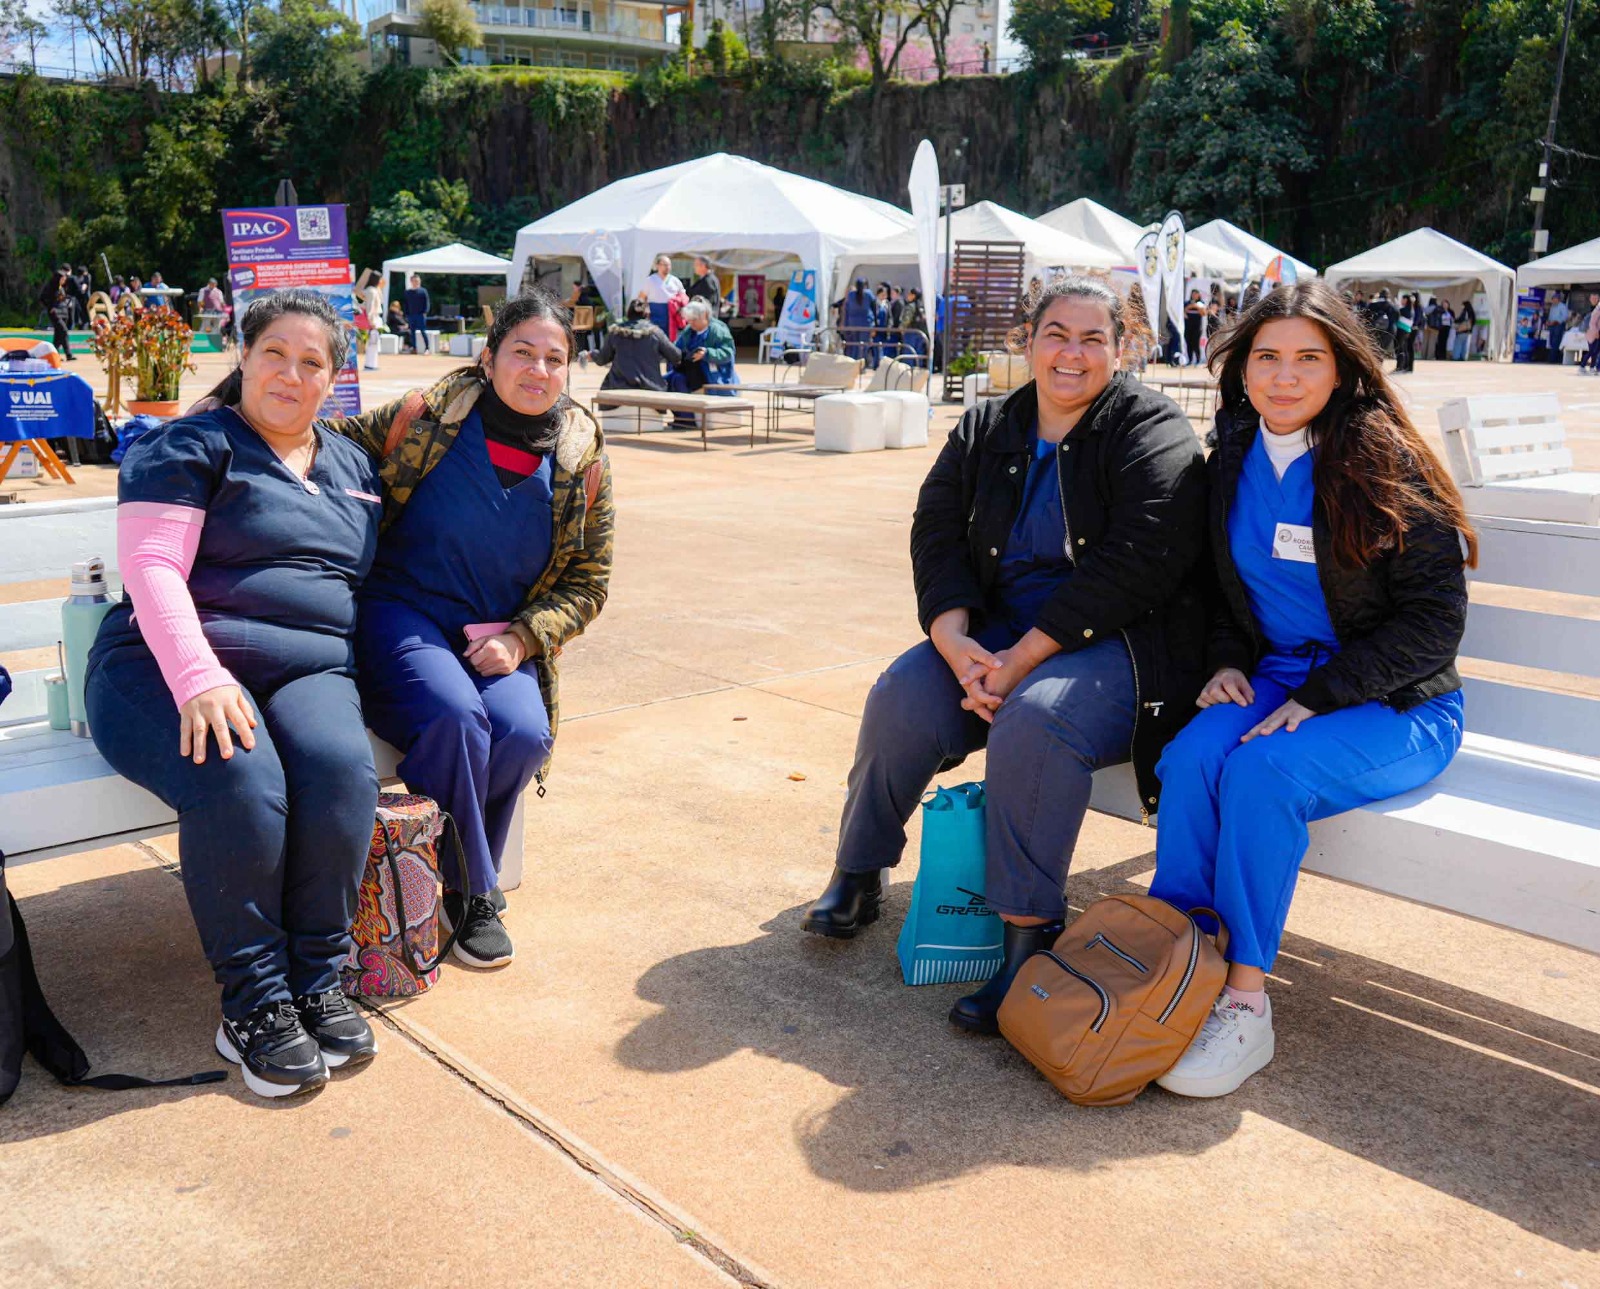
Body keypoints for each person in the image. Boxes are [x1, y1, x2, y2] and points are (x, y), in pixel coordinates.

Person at [800, 277, 1209, 1035]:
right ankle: (857, 870)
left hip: (1114, 646)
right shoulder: (988, 424)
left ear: (1121, 351)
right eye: (1057, 334)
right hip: (990, 639)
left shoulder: (1151, 427)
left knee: (1036, 720)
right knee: (901, 693)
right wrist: (952, 640)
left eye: (1094, 339)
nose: (1072, 353)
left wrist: (1021, 659)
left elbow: (1138, 561)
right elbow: (937, 528)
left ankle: (1028, 938)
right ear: (1027, 341)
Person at [1148, 281, 1472, 1098]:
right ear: (1240, 368)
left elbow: (1434, 622)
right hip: (1274, 681)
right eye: (1267, 357)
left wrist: (1323, 693)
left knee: (1261, 774)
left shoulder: (1380, 460)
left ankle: (1245, 1003)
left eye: (1307, 358)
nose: (1284, 377)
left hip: (1401, 701)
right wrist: (1226, 659)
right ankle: (1180, 963)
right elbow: (1222, 591)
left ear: (1341, 370)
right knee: (1189, 760)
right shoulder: (1229, 455)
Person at [84, 291, 383, 1100]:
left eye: (312, 361)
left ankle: (318, 977)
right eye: (274, 354)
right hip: (165, 662)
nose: (291, 373)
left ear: (335, 376)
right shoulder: (193, 443)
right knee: (240, 779)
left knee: (340, 772)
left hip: (308, 670)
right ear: (244, 358)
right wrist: (199, 675)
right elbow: (151, 570)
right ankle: (254, 1003)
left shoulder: (354, 469)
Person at [337, 290, 615, 968]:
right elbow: (327, 443)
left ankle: (443, 872)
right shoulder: (429, 417)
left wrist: (523, 638)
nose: (538, 369)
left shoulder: (583, 460)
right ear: (488, 358)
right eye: (522, 351)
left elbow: (590, 581)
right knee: (457, 718)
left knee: (524, 733)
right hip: (403, 612)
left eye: (555, 358)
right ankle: (475, 891)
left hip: (498, 635)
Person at [593, 297, 681, 403]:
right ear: (647, 315)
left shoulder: (615, 332)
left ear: (628, 314)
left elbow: (602, 359)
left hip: (618, 388)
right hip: (652, 389)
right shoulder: (656, 332)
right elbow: (676, 356)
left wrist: (592, 354)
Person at [38, 265, 75, 360]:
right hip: (55, 312)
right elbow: (42, 298)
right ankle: (68, 354)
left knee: (58, 336)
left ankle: (54, 355)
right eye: (62, 279)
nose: (64, 280)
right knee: (64, 331)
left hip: (63, 312)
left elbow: (62, 298)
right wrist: (49, 307)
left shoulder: (61, 287)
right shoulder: (50, 287)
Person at [643, 254, 685, 335]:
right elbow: (643, 297)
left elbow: (683, 296)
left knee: (671, 339)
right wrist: (646, 309)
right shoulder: (650, 280)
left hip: (672, 314)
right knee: (656, 337)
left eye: (669, 265)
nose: (668, 267)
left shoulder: (675, 280)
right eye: (665, 265)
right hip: (655, 313)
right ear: (657, 266)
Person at [839, 277, 877, 362]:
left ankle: (854, 363)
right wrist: (875, 323)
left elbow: (846, 310)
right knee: (863, 346)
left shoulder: (851, 295)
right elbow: (874, 307)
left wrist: (845, 324)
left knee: (854, 345)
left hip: (853, 324)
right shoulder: (868, 294)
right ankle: (861, 364)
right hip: (865, 324)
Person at [403, 273, 432, 355]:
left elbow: (427, 303)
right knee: (412, 333)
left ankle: (427, 348)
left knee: (423, 331)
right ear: (411, 281)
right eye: (415, 281)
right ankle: (414, 348)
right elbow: (405, 304)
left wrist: (425, 312)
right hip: (411, 315)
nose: (416, 282)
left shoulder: (423, 291)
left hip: (421, 315)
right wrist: (406, 314)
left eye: (418, 281)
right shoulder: (407, 292)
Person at [1546, 291, 1570, 364]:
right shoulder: (1553, 307)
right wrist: (1548, 321)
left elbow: (1565, 317)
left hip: (1558, 326)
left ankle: (1552, 359)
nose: (1553, 300)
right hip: (1552, 326)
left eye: (1554, 299)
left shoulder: (1562, 306)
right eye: (1552, 299)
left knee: (1556, 342)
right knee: (1551, 342)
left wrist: (1557, 321)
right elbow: (1551, 316)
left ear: (1558, 299)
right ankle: (1552, 358)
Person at [1184, 289, 1206, 364]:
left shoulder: (1201, 303)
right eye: (1193, 294)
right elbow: (1184, 311)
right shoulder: (1187, 303)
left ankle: (1198, 359)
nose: (1194, 296)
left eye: (1196, 294)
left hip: (1197, 327)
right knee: (1189, 343)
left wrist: (1197, 307)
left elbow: (1203, 313)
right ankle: (1189, 360)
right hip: (1188, 326)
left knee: (1196, 344)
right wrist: (1190, 306)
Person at [1585, 292, 1600, 373]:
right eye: (1592, 298)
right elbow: (1592, 322)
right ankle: (1583, 366)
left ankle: (1594, 367)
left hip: (1595, 331)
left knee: (1595, 351)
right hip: (1594, 332)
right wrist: (1596, 332)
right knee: (1593, 351)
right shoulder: (1597, 308)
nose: (1593, 300)